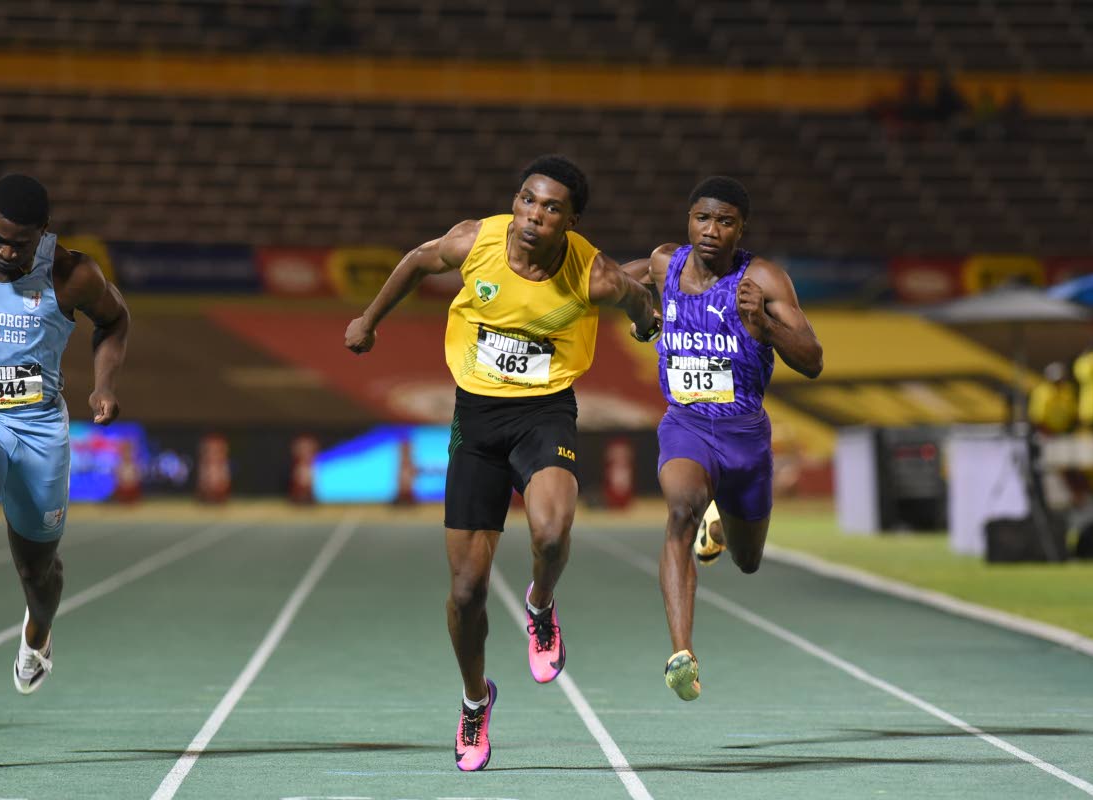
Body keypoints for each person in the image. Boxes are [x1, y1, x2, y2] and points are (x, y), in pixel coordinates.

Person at [344, 155, 657, 770]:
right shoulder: (475, 241)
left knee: (551, 529)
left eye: (550, 208)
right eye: (526, 200)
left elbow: (637, 301)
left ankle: (540, 606)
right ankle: (473, 701)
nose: (532, 217)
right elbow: (413, 261)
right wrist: (369, 320)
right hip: (477, 419)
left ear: (571, 221)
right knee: (466, 592)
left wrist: (649, 323)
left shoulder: (592, 274)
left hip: (545, 416)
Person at [623, 176, 823, 701]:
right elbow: (608, 284)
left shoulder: (762, 278)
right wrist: (638, 317)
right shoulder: (665, 263)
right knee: (679, 510)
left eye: (725, 221)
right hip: (686, 425)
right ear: (688, 221)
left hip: (745, 438)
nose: (712, 231)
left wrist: (763, 323)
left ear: (741, 228)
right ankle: (681, 654)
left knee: (748, 560)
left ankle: (721, 524)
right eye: (702, 219)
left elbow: (813, 360)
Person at [0, 174, 129, 693]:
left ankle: (39, 632)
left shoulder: (72, 274)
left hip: (38, 426)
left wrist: (103, 387)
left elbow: (114, 322)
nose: (6, 251)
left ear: (43, 233)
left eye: (19, 243)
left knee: (38, 572)